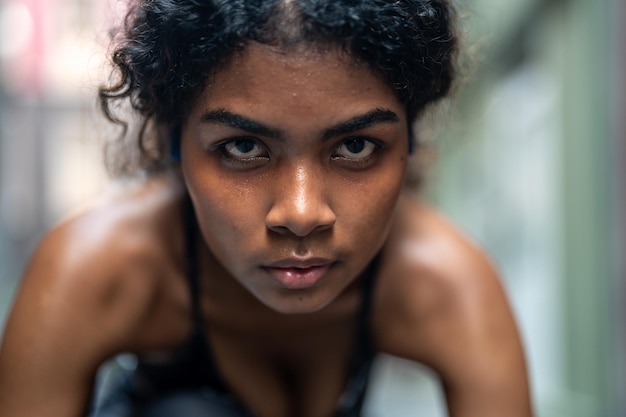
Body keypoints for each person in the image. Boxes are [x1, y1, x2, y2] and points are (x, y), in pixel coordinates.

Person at [0, 1, 533, 416]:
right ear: (174, 142)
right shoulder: (97, 271)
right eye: (243, 148)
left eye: (355, 147)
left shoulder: (442, 286)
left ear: (409, 141)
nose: (301, 213)